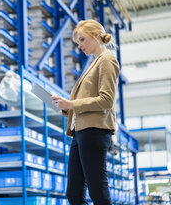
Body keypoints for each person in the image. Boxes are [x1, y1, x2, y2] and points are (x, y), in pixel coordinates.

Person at [51, 20, 120, 205]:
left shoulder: (107, 60)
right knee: (73, 194)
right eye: (78, 42)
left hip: (95, 131)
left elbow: (106, 100)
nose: (80, 45)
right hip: (80, 132)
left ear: (96, 35)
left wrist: (72, 103)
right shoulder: (94, 62)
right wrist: (66, 106)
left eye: (82, 39)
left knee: (98, 191)